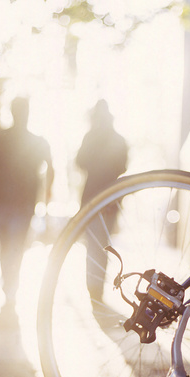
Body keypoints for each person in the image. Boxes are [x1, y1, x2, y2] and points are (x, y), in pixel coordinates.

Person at [0, 97, 54, 306]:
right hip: (25, 200)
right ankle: (12, 285)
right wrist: (48, 192)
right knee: (18, 243)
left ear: (12, 111)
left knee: (5, 242)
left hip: (0, 199)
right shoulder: (38, 140)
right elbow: (51, 167)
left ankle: (8, 283)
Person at [76, 99, 128, 304]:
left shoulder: (90, 136)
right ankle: (97, 288)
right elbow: (123, 166)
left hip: (91, 197)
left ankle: (93, 287)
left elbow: (79, 162)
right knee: (103, 244)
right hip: (111, 198)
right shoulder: (118, 139)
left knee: (93, 245)